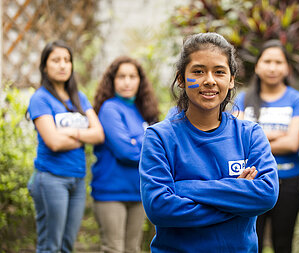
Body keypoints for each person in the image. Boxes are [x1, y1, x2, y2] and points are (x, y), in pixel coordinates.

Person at [139, 32, 279, 253]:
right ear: (181, 79)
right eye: (198, 71)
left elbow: (266, 194)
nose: (210, 80)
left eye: (219, 72)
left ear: (231, 80)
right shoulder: (160, 137)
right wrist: (238, 197)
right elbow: (159, 208)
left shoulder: (250, 135)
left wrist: (183, 188)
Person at [27, 40, 105, 252]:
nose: (62, 65)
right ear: (44, 66)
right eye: (56, 60)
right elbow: (53, 142)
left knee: (67, 245)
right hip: (51, 179)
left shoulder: (78, 97)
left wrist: (71, 133)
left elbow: (98, 134)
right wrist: (83, 137)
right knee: (50, 246)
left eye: (67, 60)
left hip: (77, 179)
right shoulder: (40, 99)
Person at [233, 40, 299, 253]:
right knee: (250, 242)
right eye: (267, 61)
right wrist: (275, 136)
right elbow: (237, 141)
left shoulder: (298, 100)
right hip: (252, 182)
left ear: (287, 68)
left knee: (283, 244)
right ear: (257, 66)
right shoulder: (243, 98)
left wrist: (255, 136)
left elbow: (292, 143)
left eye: (278, 62)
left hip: (288, 182)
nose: (272, 67)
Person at [91, 56, 159, 253]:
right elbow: (126, 152)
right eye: (121, 76)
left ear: (140, 81)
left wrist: (136, 142)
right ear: (112, 80)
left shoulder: (143, 110)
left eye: (132, 76)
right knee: (113, 248)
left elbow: (158, 148)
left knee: (133, 249)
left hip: (138, 192)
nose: (127, 81)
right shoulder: (110, 108)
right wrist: (144, 146)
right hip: (111, 192)